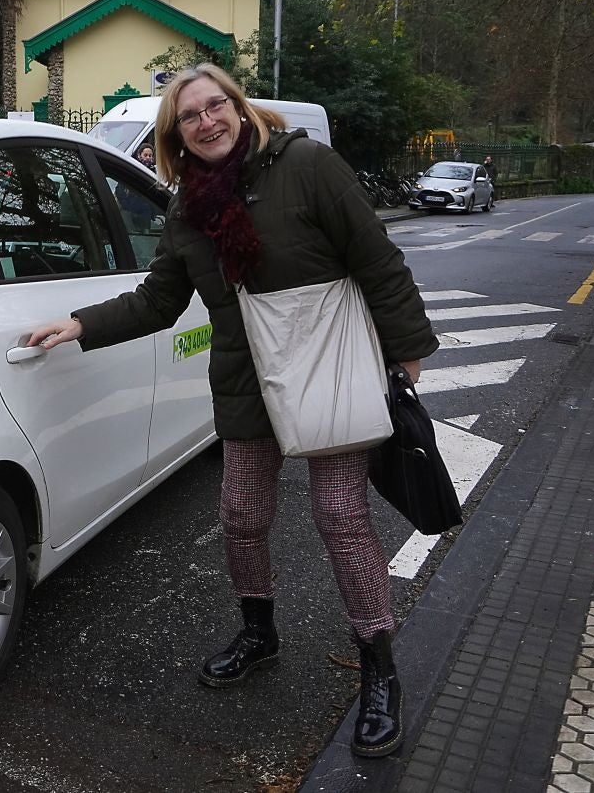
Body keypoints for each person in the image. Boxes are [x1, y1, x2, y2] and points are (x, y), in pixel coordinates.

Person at [26, 63, 437, 759]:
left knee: (339, 515)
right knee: (242, 515)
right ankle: (258, 631)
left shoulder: (307, 166)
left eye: (218, 105)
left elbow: (378, 258)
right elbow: (159, 299)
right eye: (191, 116)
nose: (208, 120)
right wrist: (81, 323)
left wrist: (407, 352)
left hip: (325, 368)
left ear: (240, 111)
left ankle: (377, 666)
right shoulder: (188, 209)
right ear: (175, 135)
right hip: (248, 381)